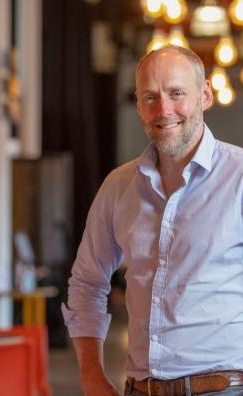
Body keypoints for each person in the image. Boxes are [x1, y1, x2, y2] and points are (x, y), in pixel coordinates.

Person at [62, 44, 243, 396]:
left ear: (204, 95)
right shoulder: (119, 186)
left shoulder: (239, 176)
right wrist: (91, 374)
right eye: (150, 97)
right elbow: (87, 282)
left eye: (177, 94)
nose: (164, 110)